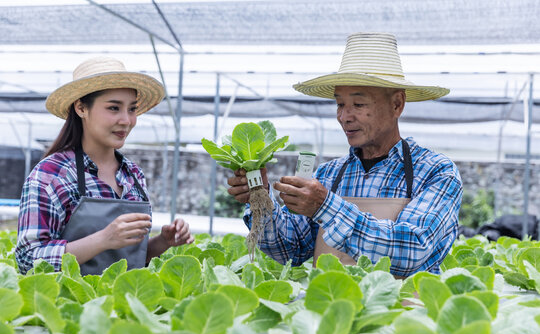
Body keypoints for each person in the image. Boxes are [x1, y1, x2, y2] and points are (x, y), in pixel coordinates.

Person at [227, 33, 462, 277]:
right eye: (340, 104)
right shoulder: (329, 174)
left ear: (396, 104)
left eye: (358, 105)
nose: (344, 116)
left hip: (399, 313)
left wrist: (325, 206)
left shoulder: (437, 172)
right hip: (332, 311)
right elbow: (290, 249)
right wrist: (259, 197)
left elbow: (412, 251)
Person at [16, 57, 194, 275]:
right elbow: (28, 260)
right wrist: (103, 239)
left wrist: (163, 242)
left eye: (132, 109)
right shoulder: (52, 174)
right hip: (69, 306)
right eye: (113, 108)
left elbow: (126, 260)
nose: (126, 120)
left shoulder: (133, 175)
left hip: (126, 305)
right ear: (81, 108)